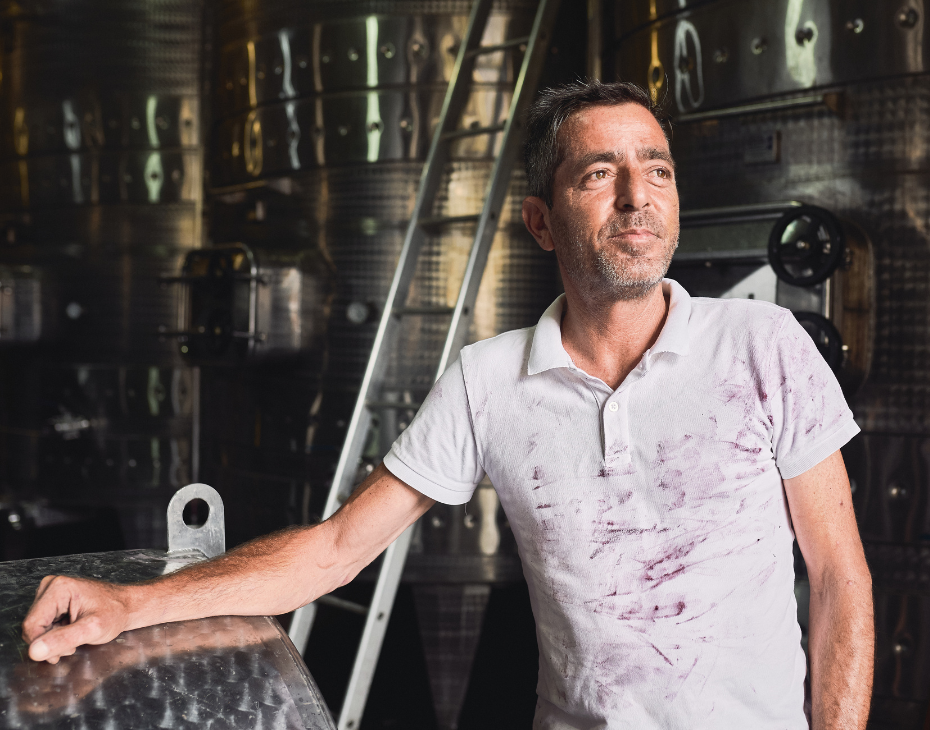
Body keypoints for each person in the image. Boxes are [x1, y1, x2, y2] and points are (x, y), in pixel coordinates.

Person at [22, 80, 873, 729]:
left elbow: (839, 577)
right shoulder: (489, 381)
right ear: (541, 223)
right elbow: (334, 551)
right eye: (599, 174)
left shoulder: (763, 344)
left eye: (657, 170)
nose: (636, 196)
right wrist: (131, 603)